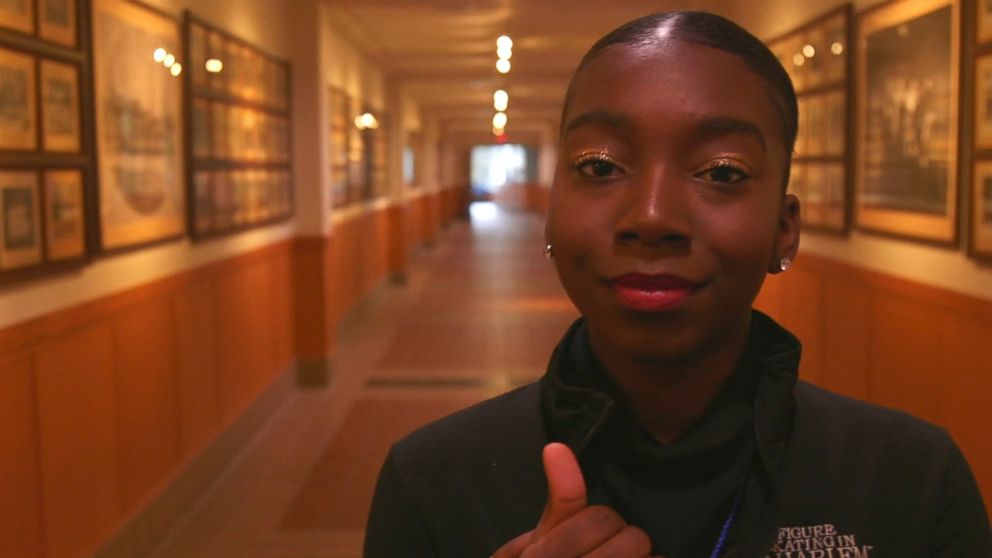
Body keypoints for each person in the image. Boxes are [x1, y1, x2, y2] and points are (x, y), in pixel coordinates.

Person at [363, 11, 992, 557]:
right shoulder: (433, 480)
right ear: (552, 209)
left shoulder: (910, 479)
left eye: (721, 172)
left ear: (784, 228)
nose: (653, 217)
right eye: (600, 166)